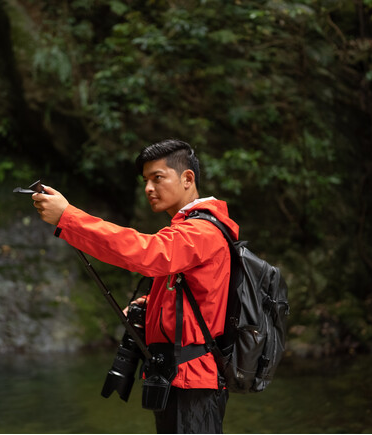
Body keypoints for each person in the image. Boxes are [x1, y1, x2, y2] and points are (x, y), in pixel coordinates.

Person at [32, 139, 239, 434]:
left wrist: (69, 218)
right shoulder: (189, 229)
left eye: (158, 178)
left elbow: (145, 254)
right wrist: (149, 304)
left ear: (187, 178)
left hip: (191, 379)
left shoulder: (201, 231)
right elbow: (194, 294)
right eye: (145, 181)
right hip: (176, 376)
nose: (148, 189)